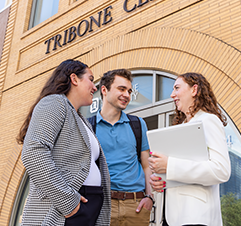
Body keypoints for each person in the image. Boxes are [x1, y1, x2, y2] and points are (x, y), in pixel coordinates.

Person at [17, 59, 111, 226]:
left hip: (87, 207)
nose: (94, 87)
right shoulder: (55, 102)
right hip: (64, 209)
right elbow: (33, 153)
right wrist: (69, 202)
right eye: (90, 79)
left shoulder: (82, 120)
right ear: (74, 79)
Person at [148, 72, 231, 226]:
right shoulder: (180, 128)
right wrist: (161, 180)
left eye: (177, 88)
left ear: (194, 90)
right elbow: (182, 171)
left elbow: (221, 170)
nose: (172, 95)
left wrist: (169, 165)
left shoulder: (209, 120)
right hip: (172, 217)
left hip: (197, 216)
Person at [87, 69, 153, 226]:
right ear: (104, 90)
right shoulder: (88, 126)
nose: (127, 95)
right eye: (121, 89)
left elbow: (146, 164)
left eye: (129, 91)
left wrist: (149, 197)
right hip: (102, 205)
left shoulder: (137, 124)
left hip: (135, 206)